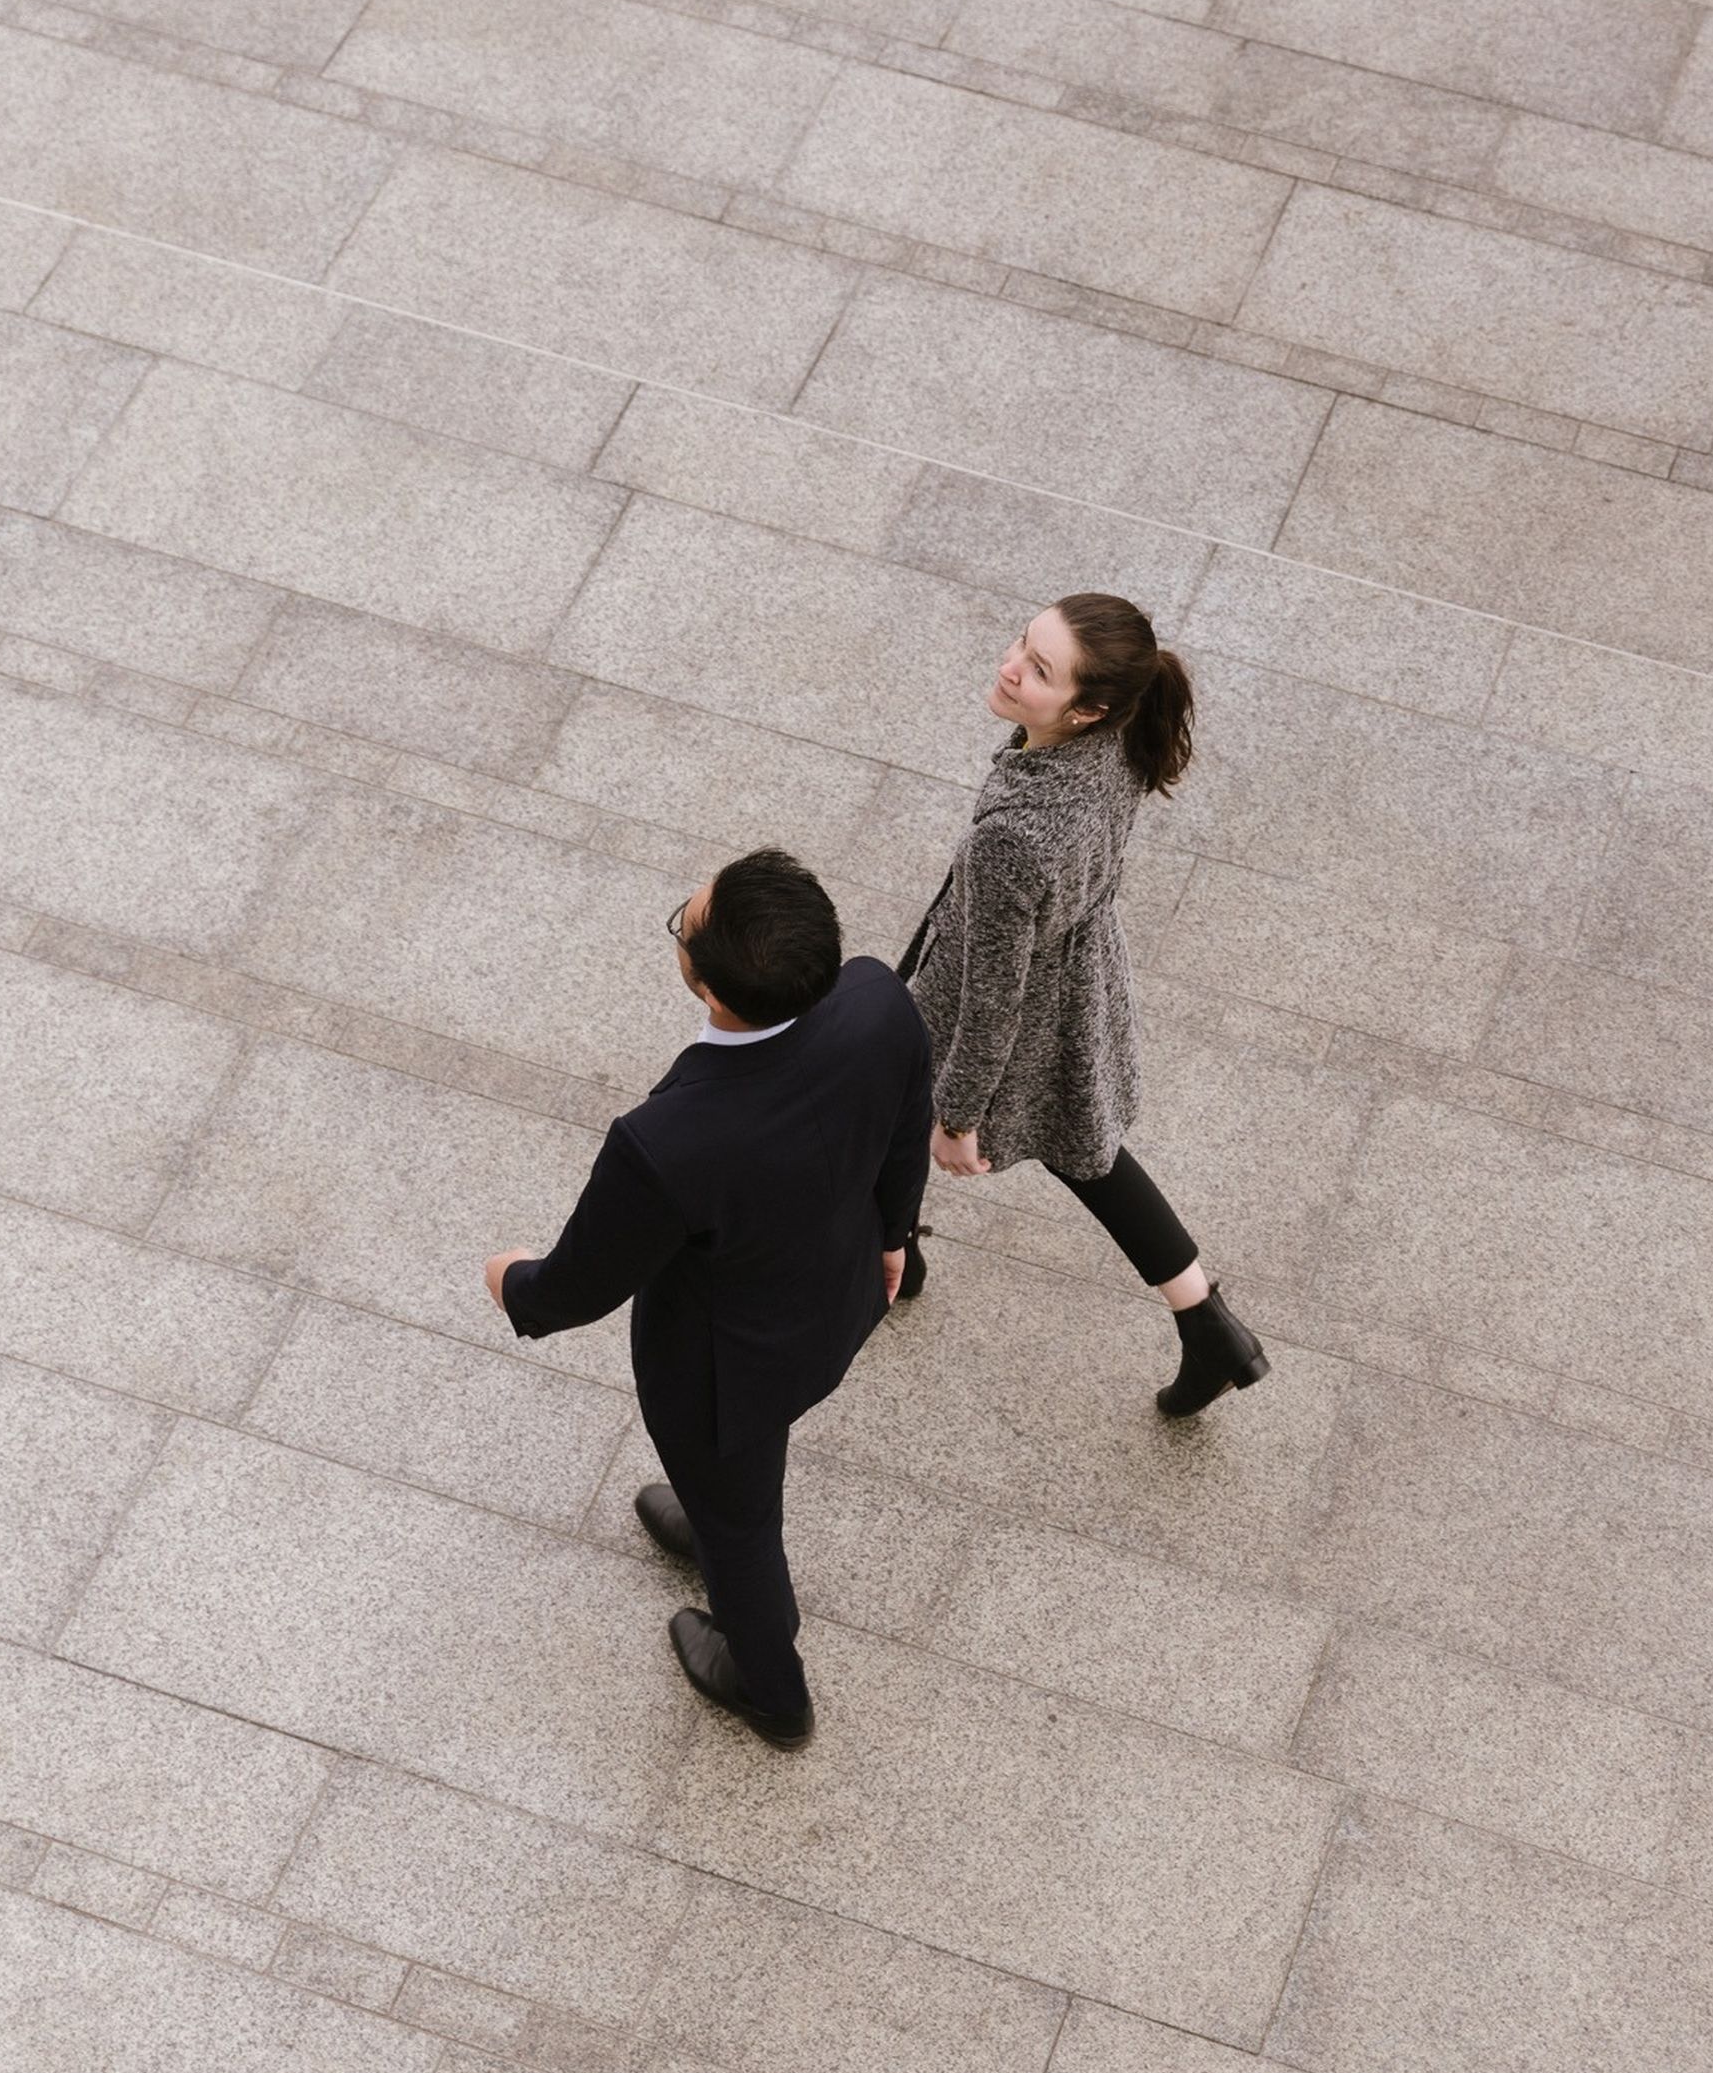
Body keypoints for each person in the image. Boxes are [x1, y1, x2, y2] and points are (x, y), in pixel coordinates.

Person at [484, 848, 931, 1750]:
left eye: (681, 924)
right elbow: (906, 1120)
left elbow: (571, 1291)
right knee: (729, 1488)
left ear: (707, 985)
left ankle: (771, 1689)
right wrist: (895, 1237)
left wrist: (511, 1279)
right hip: (836, 1298)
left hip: (724, 1376)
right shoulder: (878, 1001)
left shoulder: (668, 1143)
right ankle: (706, 1508)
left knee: (744, 1529)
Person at [896, 592, 1268, 1415]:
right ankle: (1210, 1326)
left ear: (1088, 707)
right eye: (1023, 644)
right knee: (1090, 1155)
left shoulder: (1017, 834)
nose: (1011, 667)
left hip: (1006, 997)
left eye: (1039, 670)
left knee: (882, 1103)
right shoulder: (1119, 737)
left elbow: (993, 996)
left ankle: (891, 1253)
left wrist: (959, 1117)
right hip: (1078, 982)